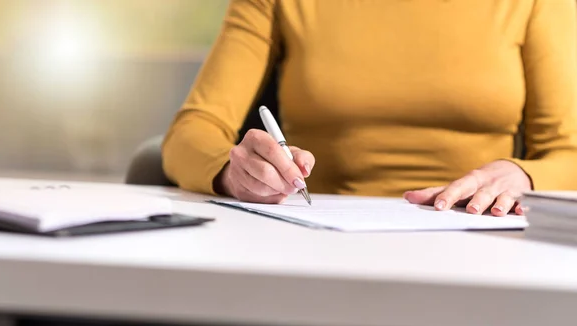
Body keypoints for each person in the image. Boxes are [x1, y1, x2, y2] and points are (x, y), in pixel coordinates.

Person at [162, 0, 577, 217]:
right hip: (313, 241)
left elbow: (569, 152)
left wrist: (523, 174)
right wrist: (231, 173)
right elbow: (192, 130)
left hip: (481, 241)